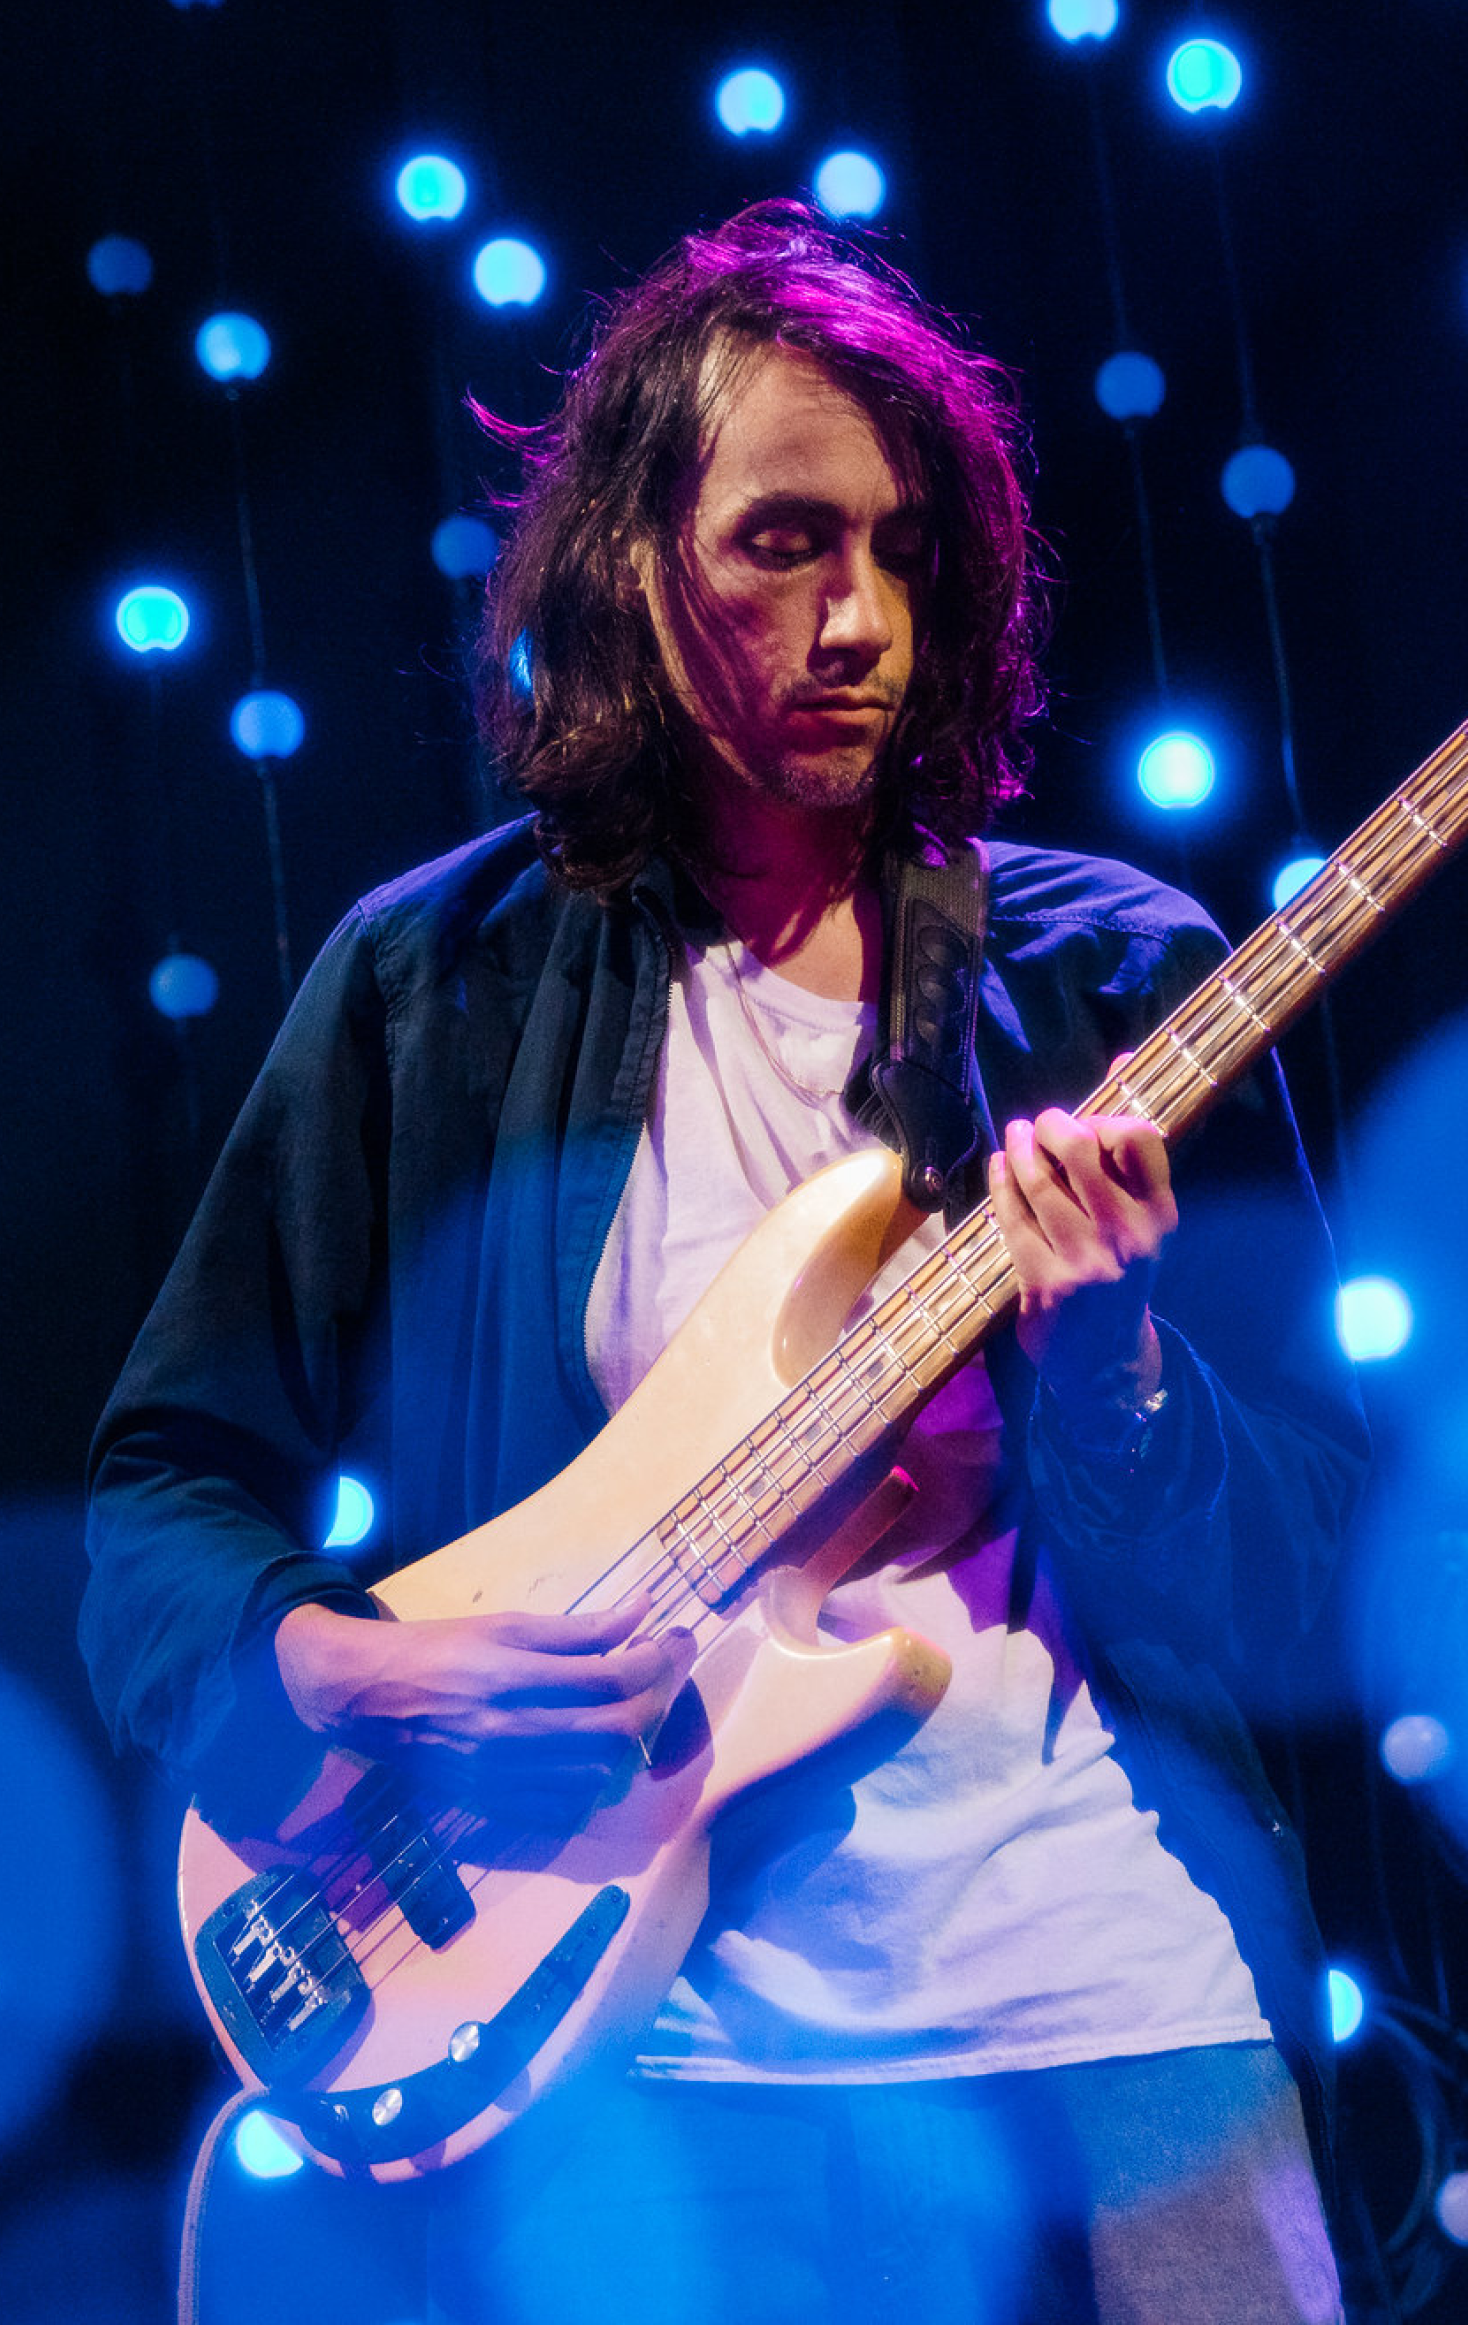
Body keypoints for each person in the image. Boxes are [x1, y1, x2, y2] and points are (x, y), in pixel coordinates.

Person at [82, 204, 1368, 2324]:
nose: (860, 617)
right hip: (646, 2078)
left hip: (1115, 2013)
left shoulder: (1112, 979)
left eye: (900, 550)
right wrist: (346, 1669)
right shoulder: (433, 989)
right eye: (784, 542)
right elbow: (159, 1493)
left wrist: (1122, 1379)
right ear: (633, 568)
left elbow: (1315, 1575)